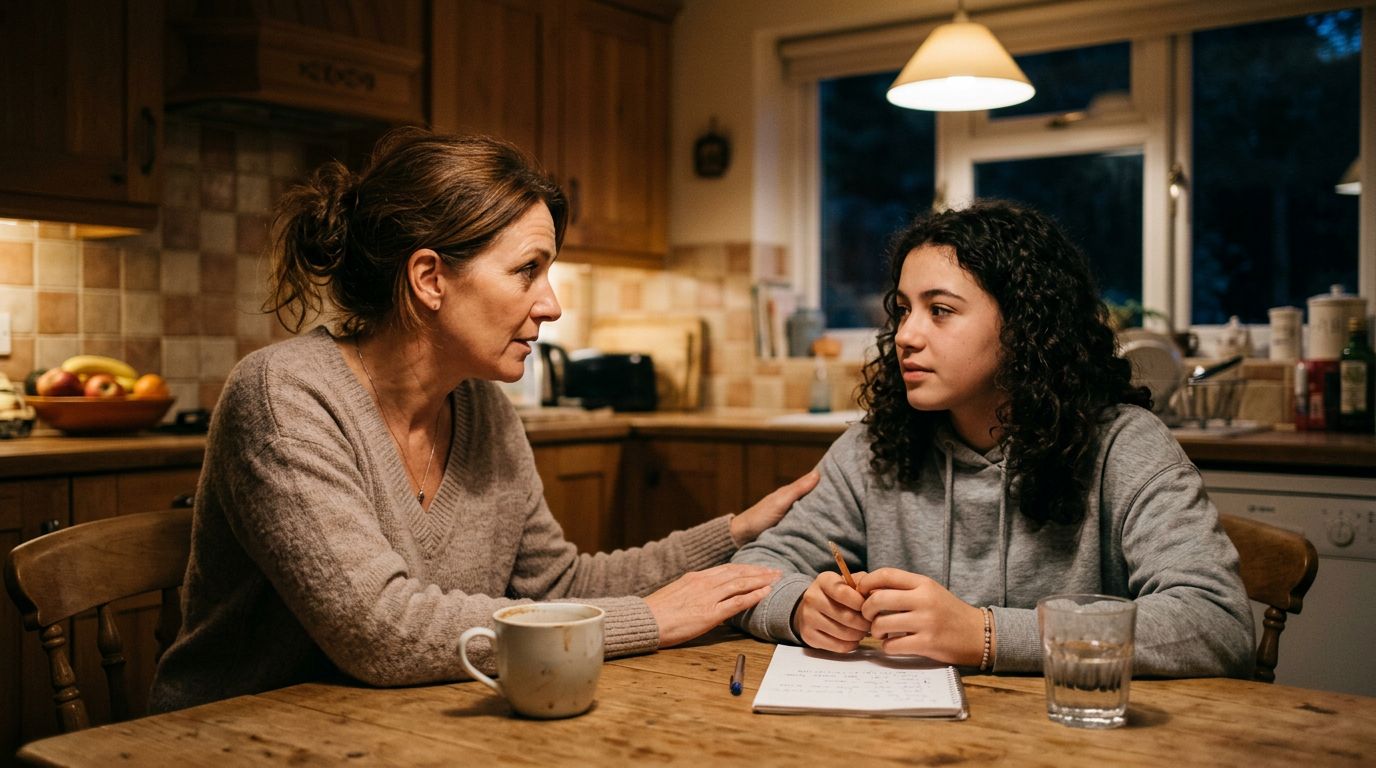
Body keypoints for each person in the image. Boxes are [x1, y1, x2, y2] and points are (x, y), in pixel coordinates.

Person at [149, 129, 818, 713]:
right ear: (430, 279)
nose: (551, 304)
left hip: (391, 732)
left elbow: (555, 587)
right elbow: (381, 631)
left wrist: (732, 535)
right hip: (230, 740)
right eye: (528, 270)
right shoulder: (284, 397)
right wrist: (648, 620)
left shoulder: (480, 406)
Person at [732, 200, 1254, 677]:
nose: (906, 336)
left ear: (1025, 326)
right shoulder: (875, 447)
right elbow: (747, 575)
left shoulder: (1123, 446)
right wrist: (800, 607)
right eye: (904, 310)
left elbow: (1216, 623)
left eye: (939, 310)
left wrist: (984, 634)